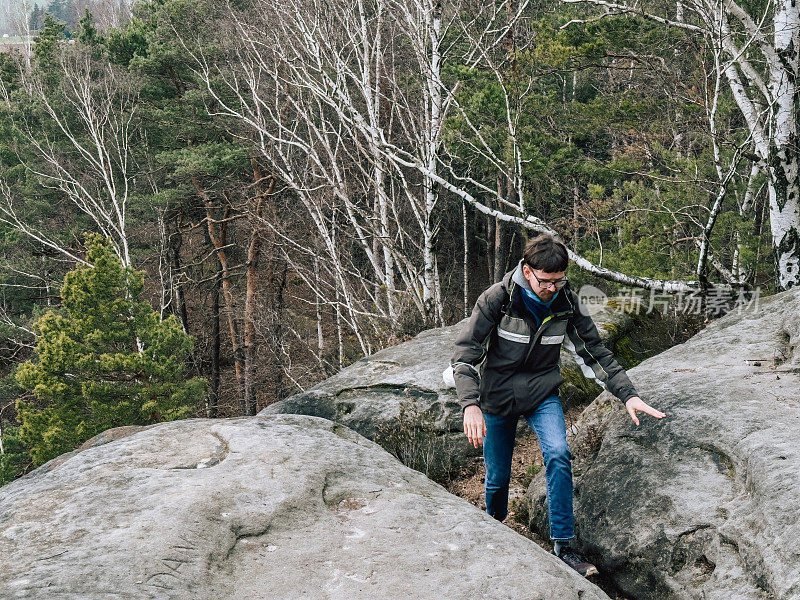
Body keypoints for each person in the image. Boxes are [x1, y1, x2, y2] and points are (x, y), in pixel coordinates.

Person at [450, 233, 665, 577]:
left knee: (558, 454)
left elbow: (595, 352)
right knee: (497, 478)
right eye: (545, 281)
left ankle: (565, 546)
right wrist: (470, 405)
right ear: (526, 270)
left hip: (541, 393)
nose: (552, 288)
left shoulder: (567, 302)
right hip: (497, 395)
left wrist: (629, 394)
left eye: (559, 280)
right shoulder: (498, 299)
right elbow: (464, 355)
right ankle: (493, 527)